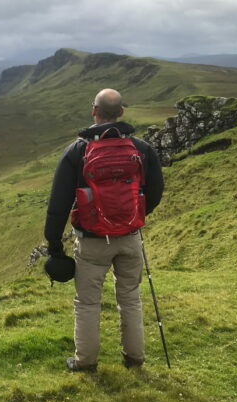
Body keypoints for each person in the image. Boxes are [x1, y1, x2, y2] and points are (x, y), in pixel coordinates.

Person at [43, 88, 164, 371]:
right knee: (130, 299)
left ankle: (85, 363)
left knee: (87, 303)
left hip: (92, 241)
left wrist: (54, 246)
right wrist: (134, 217)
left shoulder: (77, 151)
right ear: (122, 112)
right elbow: (156, 191)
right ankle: (134, 359)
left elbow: (58, 204)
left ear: (93, 110)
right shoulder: (141, 149)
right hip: (130, 238)